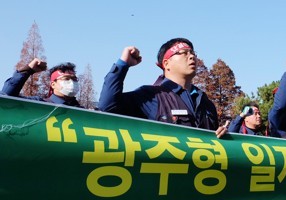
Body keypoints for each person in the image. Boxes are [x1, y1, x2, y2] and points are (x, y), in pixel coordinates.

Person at [98, 38, 227, 138]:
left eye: (193, 53)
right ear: (166, 63)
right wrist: (122, 64)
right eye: (184, 53)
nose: (192, 56)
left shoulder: (206, 103)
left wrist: (224, 136)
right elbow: (108, 107)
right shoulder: (151, 95)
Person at [1, 58, 83, 107]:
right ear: (53, 84)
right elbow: (6, 97)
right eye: (66, 79)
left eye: (74, 79)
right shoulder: (39, 104)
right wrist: (28, 70)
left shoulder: (83, 112)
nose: (71, 82)